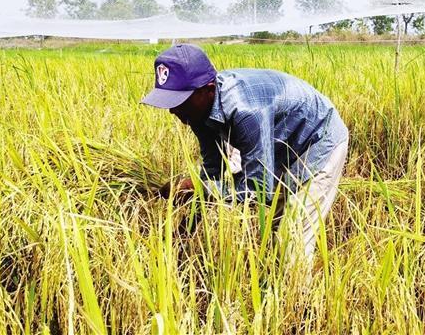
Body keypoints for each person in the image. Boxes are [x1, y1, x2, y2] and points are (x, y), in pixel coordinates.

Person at [141, 43, 349, 258]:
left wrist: (200, 189)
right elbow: (213, 170)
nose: (173, 110)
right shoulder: (197, 112)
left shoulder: (246, 111)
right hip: (279, 145)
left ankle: (298, 291)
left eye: (179, 101)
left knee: (293, 238)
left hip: (318, 139)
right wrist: (186, 229)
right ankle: (275, 285)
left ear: (209, 89)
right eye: (169, 101)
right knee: (276, 231)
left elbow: (258, 190)